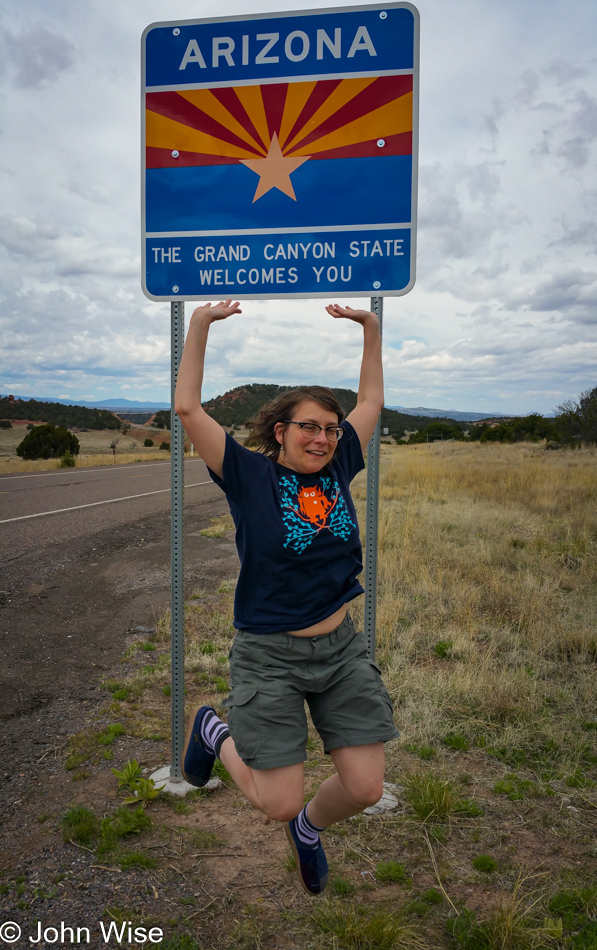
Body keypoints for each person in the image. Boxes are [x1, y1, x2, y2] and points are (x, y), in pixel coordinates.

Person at [174, 299, 398, 896]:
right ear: (282, 431)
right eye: (309, 427)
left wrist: (371, 330)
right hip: (270, 654)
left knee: (364, 788)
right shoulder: (248, 474)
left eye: (329, 428)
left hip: (341, 651)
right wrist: (199, 326)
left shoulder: (340, 461)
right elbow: (187, 407)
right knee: (274, 800)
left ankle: (309, 828)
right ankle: (212, 732)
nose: (323, 438)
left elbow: (370, 401)